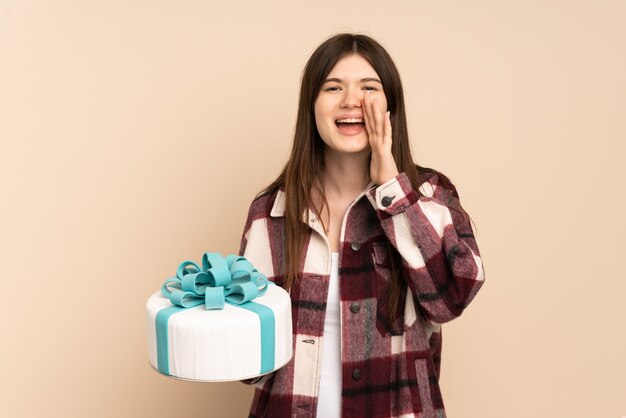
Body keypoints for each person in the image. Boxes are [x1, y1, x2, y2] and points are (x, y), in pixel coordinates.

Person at [238, 33, 485, 418]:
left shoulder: (429, 194)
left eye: (368, 87)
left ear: (390, 106)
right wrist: (215, 312)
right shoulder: (272, 211)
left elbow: (452, 296)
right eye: (333, 87)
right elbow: (251, 365)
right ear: (311, 107)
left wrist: (391, 188)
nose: (351, 100)